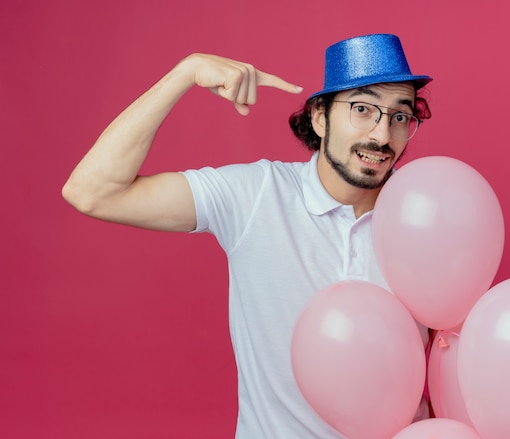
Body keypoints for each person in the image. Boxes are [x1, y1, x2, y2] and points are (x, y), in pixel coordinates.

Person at [63, 33, 433, 438]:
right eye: (363, 109)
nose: (382, 136)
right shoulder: (255, 195)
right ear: (319, 117)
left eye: (400, 116)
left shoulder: (429, 218)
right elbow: (92, 192)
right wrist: (183, 74)